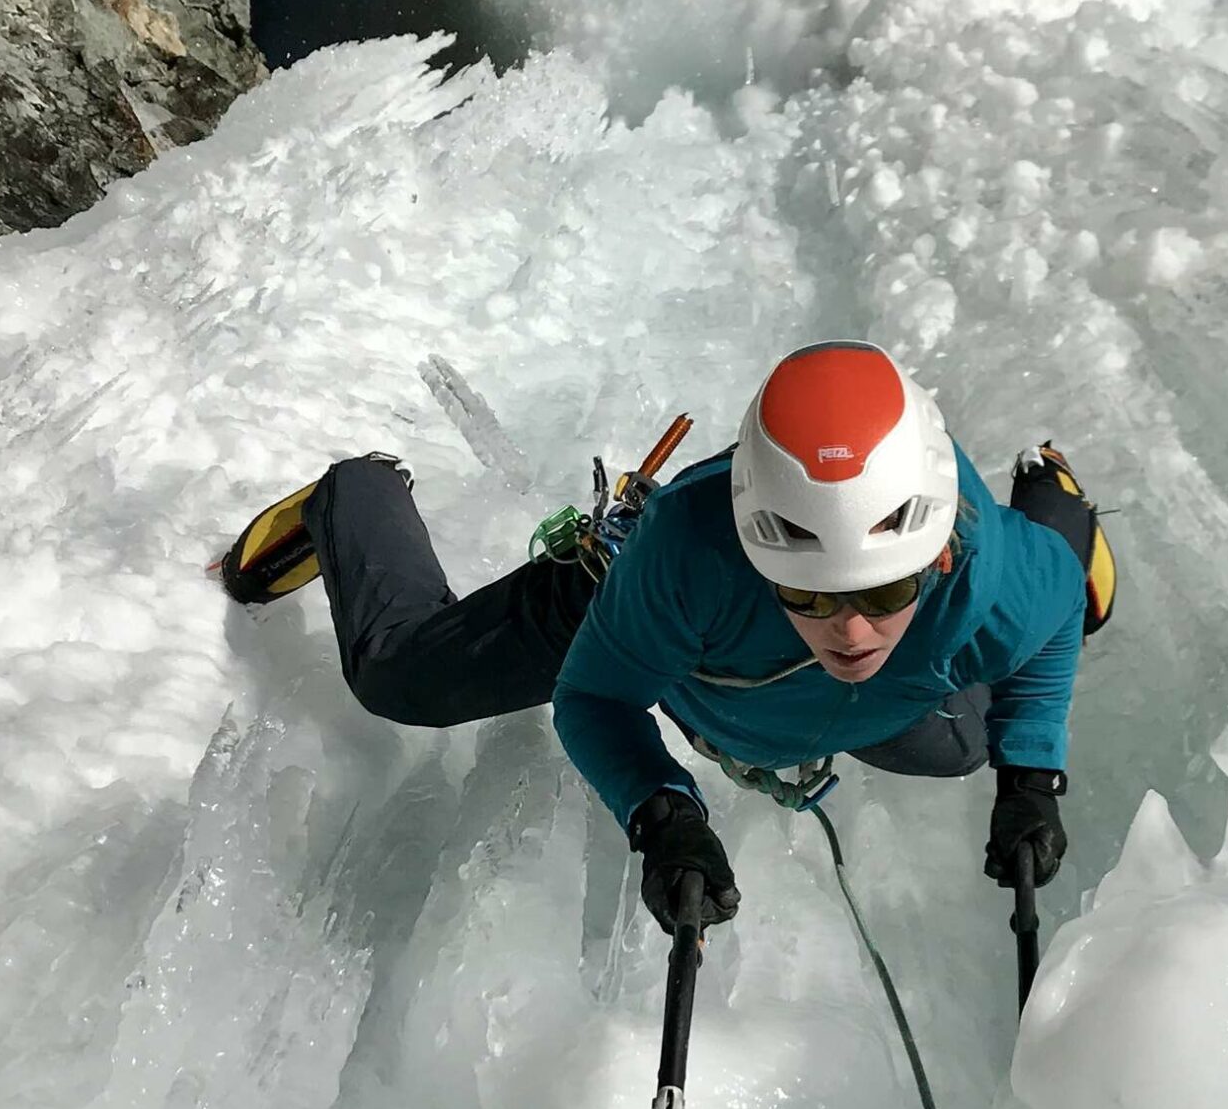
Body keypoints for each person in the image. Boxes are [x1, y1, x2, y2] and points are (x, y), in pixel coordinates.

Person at [217, 342, 1105, 933]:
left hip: (823, 687)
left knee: (964, 745)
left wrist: (1030, 771)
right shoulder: (686, 560)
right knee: (402, 677)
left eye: (885, 587)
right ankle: (357, 495)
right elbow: (597, 694)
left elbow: (1056, 619)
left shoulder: (990, 577)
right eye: (809, 592)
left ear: (938, 554)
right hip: (633, 608)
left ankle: (1054, 496)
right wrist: (662, 810)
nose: (853, 629)